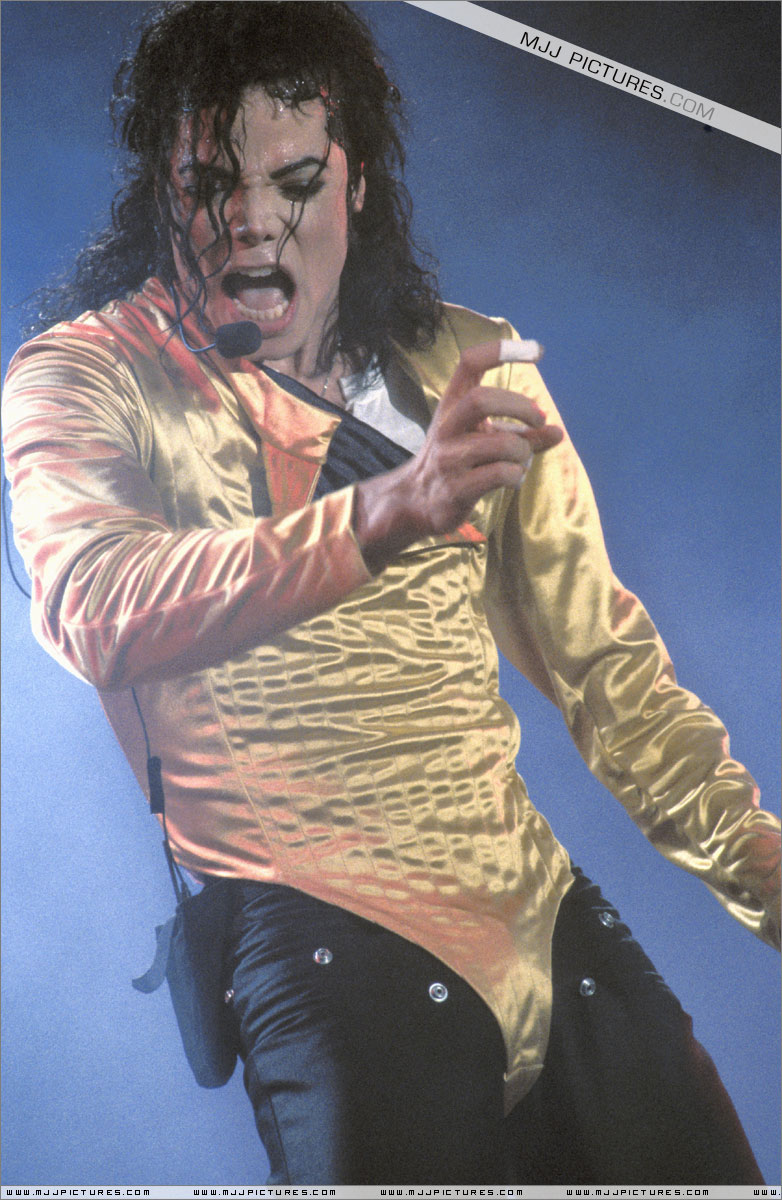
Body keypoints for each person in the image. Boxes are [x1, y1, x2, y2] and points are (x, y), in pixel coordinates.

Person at [2, 0, 779, 1185]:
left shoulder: (459, 359)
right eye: (209, 184)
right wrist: (384, 509)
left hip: (542, 917)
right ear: (161, 190)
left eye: (295, 181)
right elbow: (97, 605)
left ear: (356, 182)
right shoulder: (85, 377)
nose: (252, 219)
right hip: (319, 934)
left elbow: (614, 684)